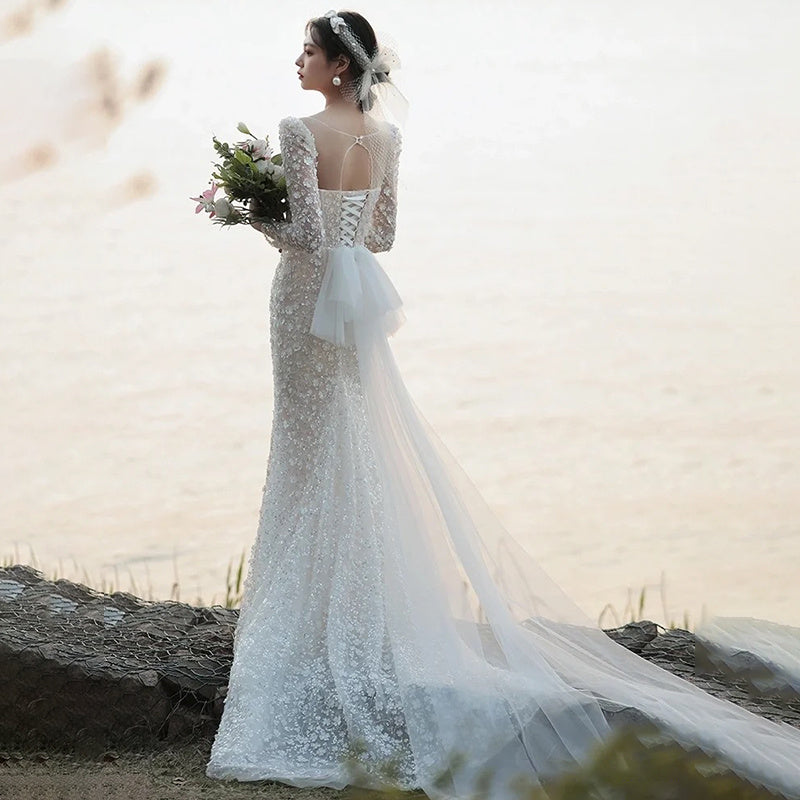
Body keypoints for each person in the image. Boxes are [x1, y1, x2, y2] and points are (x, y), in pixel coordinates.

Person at [205, 10, 800, 799]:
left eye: (308, 51)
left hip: (304, 301)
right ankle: (356, 615)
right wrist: (304, 217)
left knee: (307, 447)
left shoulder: (297, 128)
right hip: (355, 304)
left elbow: (306, 235)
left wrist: (250, 212)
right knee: (354, 444)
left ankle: (308, 629)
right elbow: (378, 237)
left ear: (339, 67)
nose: (298, 62)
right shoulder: (385, 140)